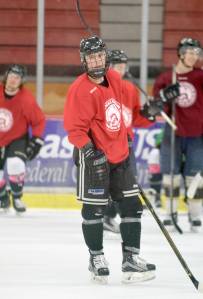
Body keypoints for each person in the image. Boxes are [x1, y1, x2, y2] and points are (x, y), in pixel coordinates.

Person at [64, 36, 156, 284]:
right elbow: (74, 129)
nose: (96, 60)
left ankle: (130, 259)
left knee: (131, 206)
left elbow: (123, 115)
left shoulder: (115, 79)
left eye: (99, 56)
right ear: (84, 60)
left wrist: (145, 116)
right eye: (91, 57)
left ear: (106, 57)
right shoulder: (79, 89)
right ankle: (96, 257)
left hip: (121, 155)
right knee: (95, 208)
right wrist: (90, 151)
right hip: (94, 157)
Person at [152, 37, 203, 232]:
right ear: (181, 53)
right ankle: (170, 214)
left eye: (197, 53)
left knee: (195, 177)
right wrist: (164, 97)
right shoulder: (166, 78)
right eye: (190, 52)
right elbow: (155, 108)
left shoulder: (200, 76)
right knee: (170, 177)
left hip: (197, 134)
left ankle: (195, 215)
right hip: (172, 132)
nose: (194, 56)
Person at [103, 49, 154, 233]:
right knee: (110, 182)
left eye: (123, 67)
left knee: (127, 181)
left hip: (127, 143)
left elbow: (134, 119)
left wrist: (149, 114)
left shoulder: (130, 88)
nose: (121, 70)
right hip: (107, 143)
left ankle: (114, 217)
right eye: (117, 66)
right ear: (108, 67)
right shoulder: (102, 87)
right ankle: (106, 217)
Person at [0, 64, 45, 213]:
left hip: (17, 138)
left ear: (21, 81)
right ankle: (3, 197)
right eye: (12, 76)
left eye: (17, 77)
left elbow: (38, 120)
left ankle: (17, 197)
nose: (13, 80)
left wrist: (37, 139)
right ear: (6, 76)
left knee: (15, 164)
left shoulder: (26, 99)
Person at [147, 130, 163, 208]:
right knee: (156, 188)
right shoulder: (157, 151)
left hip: (153, 172)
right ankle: (155, 201)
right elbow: (155, 163)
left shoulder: (154, 151)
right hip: (155, 172)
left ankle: (155, 201)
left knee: (154, 188)